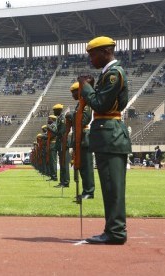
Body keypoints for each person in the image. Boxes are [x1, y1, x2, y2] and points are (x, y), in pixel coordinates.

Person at [79, 36, 132, 245]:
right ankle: (113, 230)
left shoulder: (113, 75)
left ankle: (116, 232)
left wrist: (86, 87)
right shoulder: (107, 74)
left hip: (110, 136)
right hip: (108, 135)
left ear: (106, 52)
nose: (91, 59)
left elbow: (100, 104)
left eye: (93, 54)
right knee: (110, 188)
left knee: (113, 188)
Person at [70, 82, 95, 199]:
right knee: (81, 167)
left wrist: (73, 119)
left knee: (87, 167)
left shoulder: (85, 105)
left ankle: (89, 191)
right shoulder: (79, 105)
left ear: (79, 92)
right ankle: (85, 190)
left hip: (84, 137)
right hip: (78, 137)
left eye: (74, 92)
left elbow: (84, 120)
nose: (72, 95)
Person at [53, 104, 70, 188]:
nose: (53, 112)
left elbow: (62, 131)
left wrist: (54, 132)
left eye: (54, 110)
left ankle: (65, 182)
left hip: (63, 142)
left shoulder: (62, 119)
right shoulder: (59, 118)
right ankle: (62, 181)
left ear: (59, 110)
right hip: (60, 143)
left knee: (64, 163)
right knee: (61, 163)